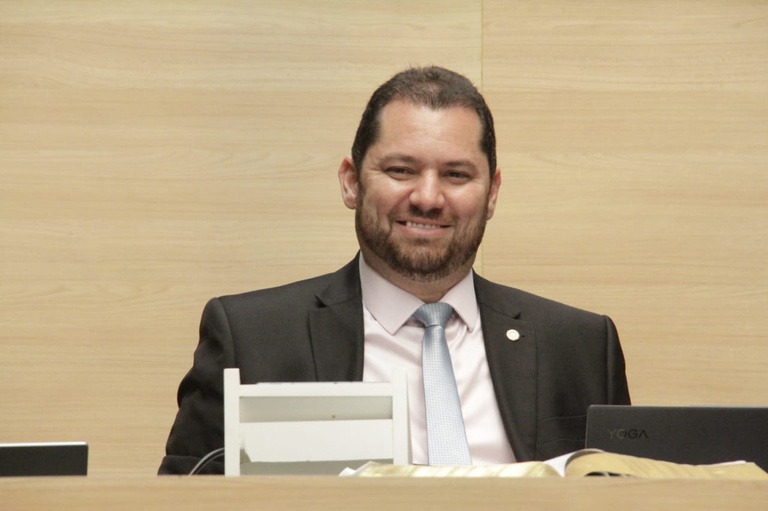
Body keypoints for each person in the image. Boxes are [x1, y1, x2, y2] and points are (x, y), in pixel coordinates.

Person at [158, 66, 630, 475]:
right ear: (351, 182)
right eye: (402, 170)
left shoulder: (580, 346)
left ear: (492, 193)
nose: (428, 198)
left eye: (457, 174)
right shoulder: (253, 338)